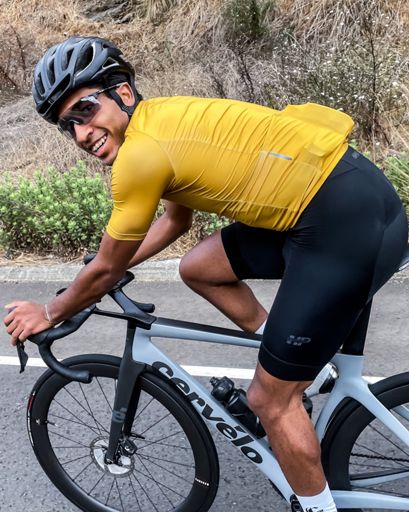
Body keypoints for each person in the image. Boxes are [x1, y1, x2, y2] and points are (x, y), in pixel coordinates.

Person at [3, 36, 408, 512]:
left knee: (269, 401)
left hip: (336, 222)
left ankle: (314, 495)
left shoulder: (140, 155)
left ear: (122, 93)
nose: (80, 133)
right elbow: (174, 223)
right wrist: (96, 275)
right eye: (67, 125)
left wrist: (52, 310)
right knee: (199, 266)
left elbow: (109, 263)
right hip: (348, 196)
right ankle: (307, 369)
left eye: (85, 110)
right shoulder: (159, 120)